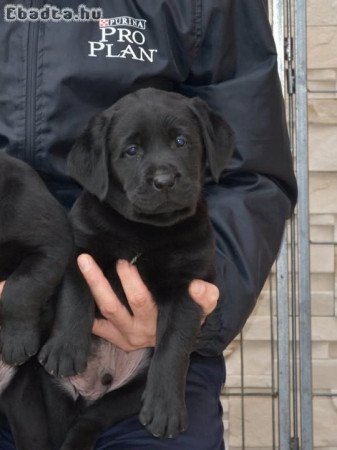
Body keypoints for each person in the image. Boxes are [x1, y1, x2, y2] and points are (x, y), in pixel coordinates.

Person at [0, 1, 297, 449]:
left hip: (151, 339)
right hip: (31, 328)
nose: (162, 171)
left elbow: (250, 175)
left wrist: (192, 312)